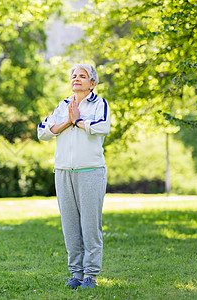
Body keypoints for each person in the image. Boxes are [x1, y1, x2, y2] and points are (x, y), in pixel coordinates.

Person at [37, 63, 110, 289]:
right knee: (70, 226)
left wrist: (79, 122)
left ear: (92, 83)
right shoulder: (63, 105)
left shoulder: (100, 104)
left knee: (90, 226)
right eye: (73, 76)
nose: (76, 79)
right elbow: (43, 131)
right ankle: (76, 274)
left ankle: (90, 275)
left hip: (90, 171)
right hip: (63, 172)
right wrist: (68, 120)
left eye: (82, 76)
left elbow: (102, 127)